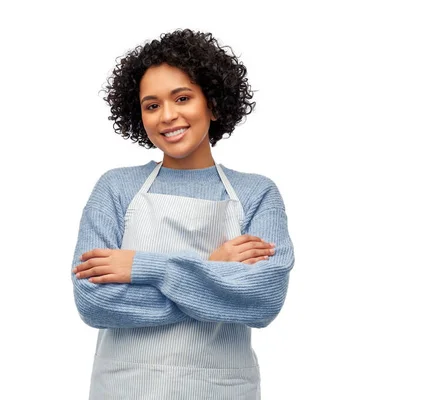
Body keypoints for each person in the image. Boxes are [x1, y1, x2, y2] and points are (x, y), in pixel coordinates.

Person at [71, 28, 295, 399]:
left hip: (220, 390)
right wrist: (215, 270)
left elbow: (262, 301)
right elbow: (95, 303)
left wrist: (144, 268)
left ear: (213, 103)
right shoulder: (115, 188)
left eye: (182, 98)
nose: (168, 116)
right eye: (152, 105)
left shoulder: (257, 194)